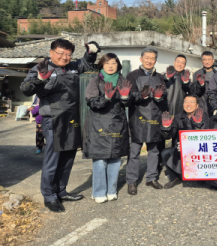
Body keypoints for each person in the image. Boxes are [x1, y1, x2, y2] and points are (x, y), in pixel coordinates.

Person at [20, 38, 100, 212]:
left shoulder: (72, 67)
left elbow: (86, 64)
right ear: (51, 52)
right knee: (53, 158)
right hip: (53, 118)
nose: (65, 57)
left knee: (68, 156)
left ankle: (61, 191)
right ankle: (49, 196)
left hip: (72, 117)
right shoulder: (41, 68)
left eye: (69, 54)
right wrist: (39, 79)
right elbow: (25, 88)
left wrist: (91, 52)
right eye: (61, 53)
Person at [83, 53, 131, 203]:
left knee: (115, 159)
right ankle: (98, 192)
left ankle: (111, 190)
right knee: (100, 159)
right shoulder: (95, 80)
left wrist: (125, 98)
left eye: (114, 63)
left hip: (117, 122)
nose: (111, 66)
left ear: (118, 65)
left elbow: (128, 102)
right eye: (107, 63)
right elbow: (91, 101)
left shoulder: (123, 81)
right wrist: (106, 98)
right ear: (102, 65)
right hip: (98, 124)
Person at [125, 47, 167, 195]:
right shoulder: (132, 75)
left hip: (155, 116)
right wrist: (140, 96)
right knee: (134, 151)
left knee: (154, 150)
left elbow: (164, 94)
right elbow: (128, 96)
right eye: (147, 58)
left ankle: (152, 178)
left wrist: (159, 97)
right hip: (137, 117)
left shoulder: (160, 77)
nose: (149, 61)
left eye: (152, 58)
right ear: (141, 59)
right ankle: (131, 181)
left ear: (155, 60)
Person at [160, 95, 208, 189]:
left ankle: (202, 176)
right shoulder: (178, 117)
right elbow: (168, 136)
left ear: (197, 105)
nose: (188, 104)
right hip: (180, 149)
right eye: (186, 102)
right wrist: (166, 128)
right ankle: (175, 177)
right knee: (165, 153)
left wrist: (198, 125)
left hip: (199, 150)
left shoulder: (204, 116)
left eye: (192, 102)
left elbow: (207, 135)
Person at [191, 51, 217, 116]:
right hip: (202, 106)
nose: (207, 62)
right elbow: (194, 92)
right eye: (204, 59)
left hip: (216, 105)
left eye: (209, 59)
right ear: (202, 61)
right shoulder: (197, 74)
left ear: (213, 60)